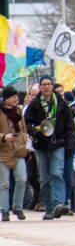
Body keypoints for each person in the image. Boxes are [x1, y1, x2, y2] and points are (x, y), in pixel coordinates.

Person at [23, 76, 75, 220]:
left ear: (52, 86)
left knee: (56, 172)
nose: (46, 87)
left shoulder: (61, 104)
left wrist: (70, 143)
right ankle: (49, 207)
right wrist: (35, 132)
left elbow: (70, 125)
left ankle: (58, 204)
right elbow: (26, 123)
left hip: (58, 143)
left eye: (48, 84)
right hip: (41, 145)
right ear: (40, 87)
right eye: (43, 84)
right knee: (44, 178)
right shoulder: (35, 104)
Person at [0, 86, 29, 221]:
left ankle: (17, 207)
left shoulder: (19, 111)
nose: (16, 99)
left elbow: (23, 128)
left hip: (18, 150)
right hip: (3, 151)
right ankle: (5, 210)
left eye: (17, 96)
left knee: (22, 179)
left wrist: (24, 138)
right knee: (4, 183)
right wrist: (4, 137)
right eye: (13, 97)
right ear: (6, 99)